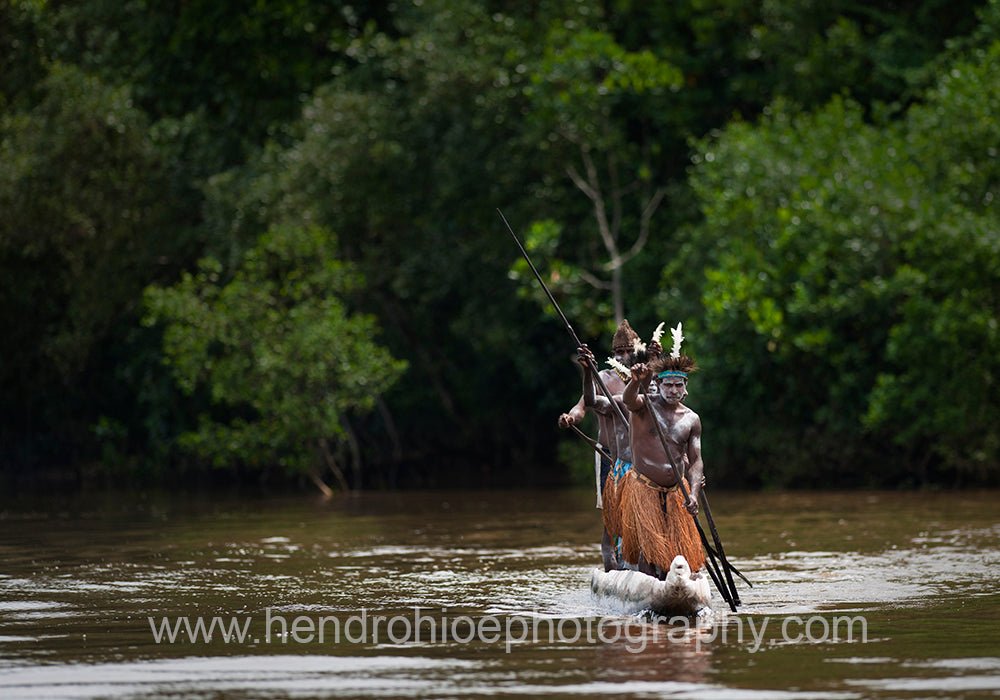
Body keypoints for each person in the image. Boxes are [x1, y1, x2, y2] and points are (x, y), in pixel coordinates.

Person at [557, 319, 640, 570]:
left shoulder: (645, 377)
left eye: (629, 351)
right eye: (619, 352)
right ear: (612, 354)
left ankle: (642, 554)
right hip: (608, 454)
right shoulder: (602, 378)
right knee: (611, 507)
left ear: (638, 351)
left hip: (640, 456)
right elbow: (584, 404)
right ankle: (611, 558)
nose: (624, 356)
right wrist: (571, 418)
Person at [618, 349, 707, 579]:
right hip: (644, 487)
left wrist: (694, 494)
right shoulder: (644, 406)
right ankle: (649, 592)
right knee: (650, 551)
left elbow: (696, 461)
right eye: (668, 385)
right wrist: (635, 382)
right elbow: (628, 400)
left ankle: (676, 590)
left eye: (678, 385)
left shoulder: (691, 419)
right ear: (658, 384)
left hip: (677, 491)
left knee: (679, 552)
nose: (674, 390)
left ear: (685, 386)